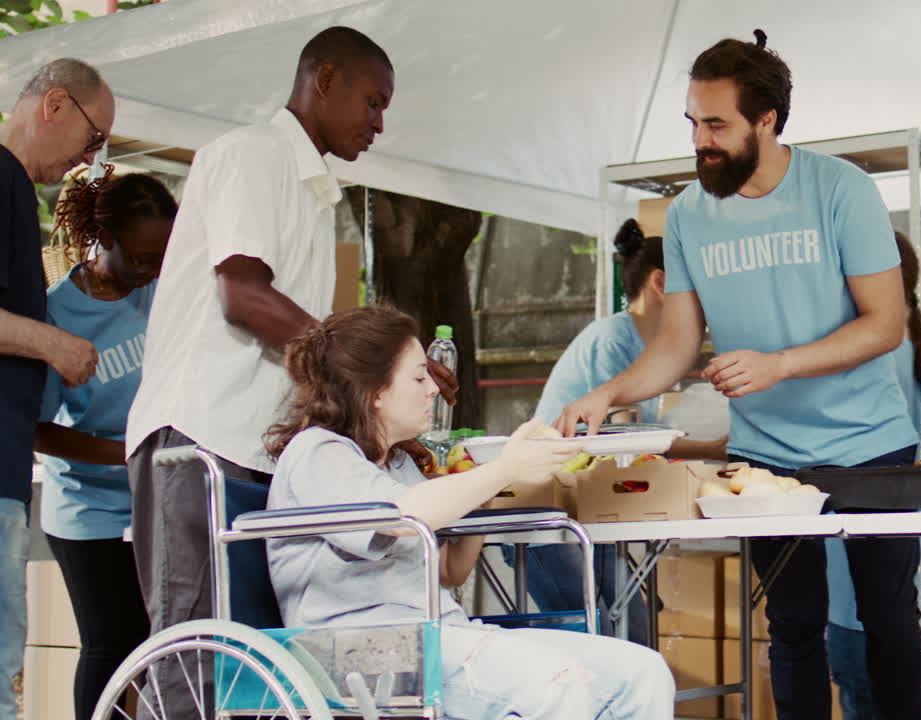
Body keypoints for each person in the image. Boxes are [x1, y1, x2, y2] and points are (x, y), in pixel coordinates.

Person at [556, 31, 921, 719]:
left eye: (717, 124)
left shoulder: (841, 189)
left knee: (888, 624)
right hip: (768, 460)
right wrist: (606, 395)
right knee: (792, 628)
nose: (701, 139)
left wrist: (778, 364)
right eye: (694, 122)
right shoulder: (691, 214)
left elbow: (885, 324)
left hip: (871, 443)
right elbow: (676, 344)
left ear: (767, 121)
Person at [123, 27, 457, 715]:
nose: (379, 122)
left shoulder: (315, 192)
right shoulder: (251, 154)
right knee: (199, 663)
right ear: (324, 79)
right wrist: (371, 368)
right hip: (198, 442)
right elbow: (242, 293)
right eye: (372, 101)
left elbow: (304, 348)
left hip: (263, 452)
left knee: (260, 674)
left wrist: (388, 394)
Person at [265, 305, 675, 719]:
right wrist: (504, 469)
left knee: (643, 673)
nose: (433, 389)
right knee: (559, 684)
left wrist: (486, 490)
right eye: (419, 376)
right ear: (375, 392)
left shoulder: (398, 464)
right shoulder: (318, 452)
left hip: (437, 636)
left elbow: (449, 572)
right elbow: (401, 516)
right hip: (358, 648)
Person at [504, 218, 725, 643]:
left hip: (585, 508)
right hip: (546, 512)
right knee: (606, 635)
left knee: (628, 633)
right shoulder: (615, 340)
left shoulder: (641, 346)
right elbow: (626, 437)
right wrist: (715, 452)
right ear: (661, 283)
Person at [34, 168, 174, 720]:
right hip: (90, 508)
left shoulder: (164, 291)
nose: (151, 271)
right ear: (105, 239)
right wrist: (126, 454)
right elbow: (38, 428)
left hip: (158, 498)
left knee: (155, 641)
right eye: (140, 259)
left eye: (161, 259)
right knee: (110, 642)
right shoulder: (55, 314)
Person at [0, 58, 111, 720]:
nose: (89, 159)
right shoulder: (4, 179)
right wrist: (56, 344)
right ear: (57, 105)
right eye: (94, 138)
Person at [824, 232, 921, 720]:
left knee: (870, 666)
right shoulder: (900, 335)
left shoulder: (874, 344)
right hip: (883, 523)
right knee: (898, 668)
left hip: (862, 527)